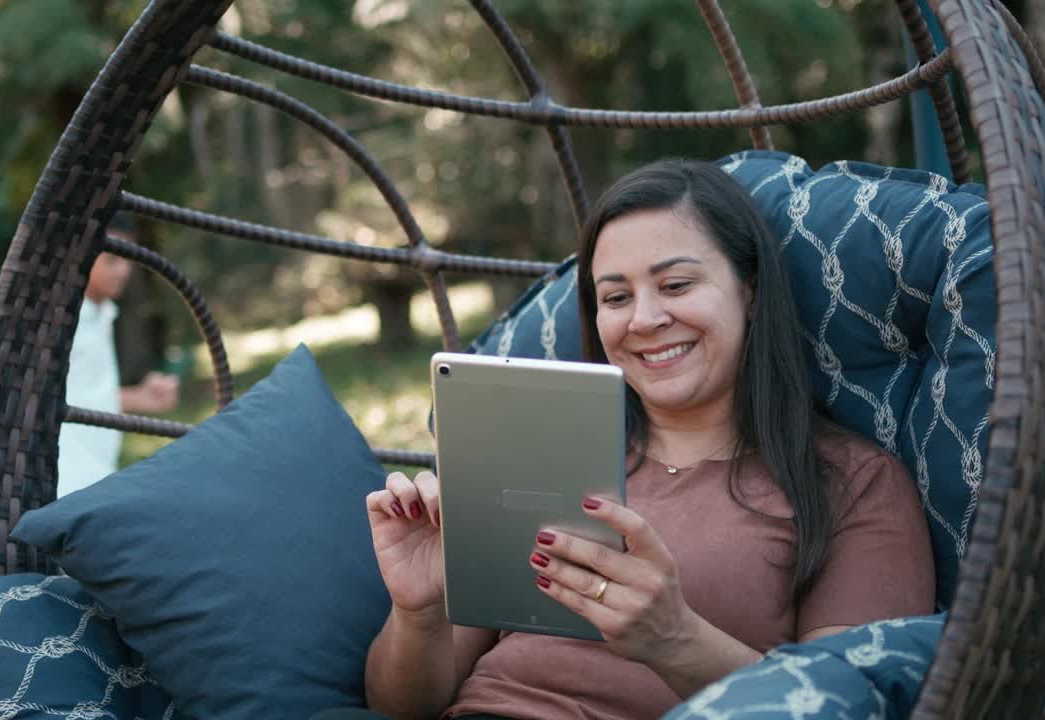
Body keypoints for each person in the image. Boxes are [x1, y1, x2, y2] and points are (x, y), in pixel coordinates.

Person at [354, 159, 935, 720]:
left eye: (676, 284)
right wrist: (419, 611)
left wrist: (675, 639)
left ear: (750, 289)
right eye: (616, 297)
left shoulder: (852, 484)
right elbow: (402, 706)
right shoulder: (542, 454)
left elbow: (844, 706)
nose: (644, 319)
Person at [57, 216, 180, 498]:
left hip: (97, 470)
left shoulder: (103, 313)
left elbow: (84, 389)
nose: (124, 271)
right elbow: (47, 402)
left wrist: (139, 395)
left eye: (128, 259)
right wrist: (137, 398)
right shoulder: (63, 322)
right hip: (67, 478)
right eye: (112, 259)